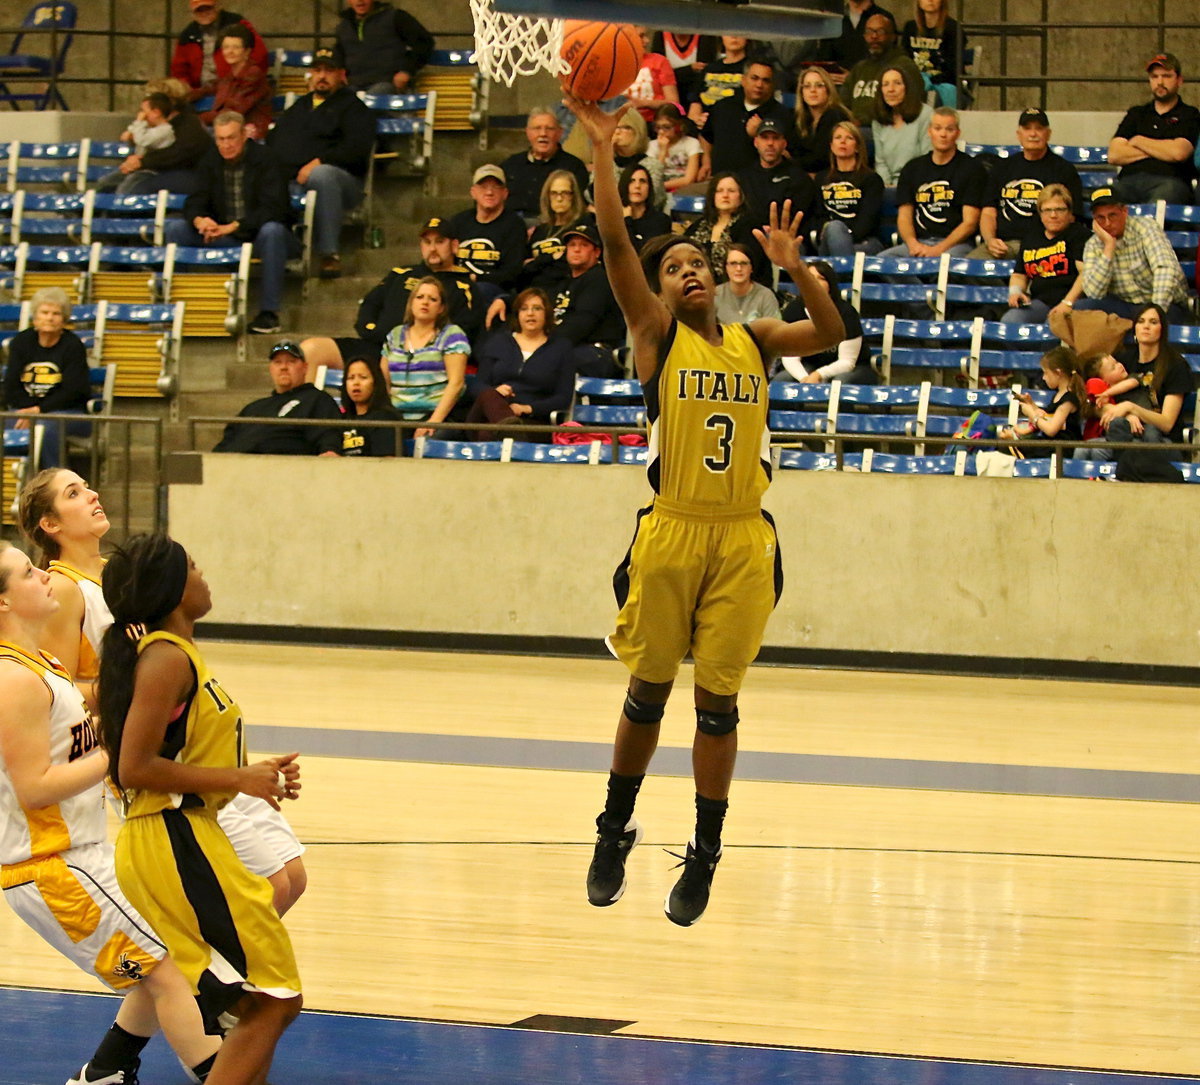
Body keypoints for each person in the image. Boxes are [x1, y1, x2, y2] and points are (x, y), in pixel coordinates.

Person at [567, 94, 843, 927]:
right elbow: (617, 242)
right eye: (674, 267)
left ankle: (707, 847)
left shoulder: (755, 338)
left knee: (717, 705)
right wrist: (603, 154)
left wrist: (796, 265)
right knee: (647, 691)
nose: (689, 271)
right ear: (656, 291)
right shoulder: (656, 335)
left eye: (698, 262)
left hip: (743, 538)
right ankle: (613, 827)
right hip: (673, 527)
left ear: (718, 277)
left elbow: (830, 331)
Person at [18, 469, 310, 918]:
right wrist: (138, 687)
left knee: (291, 876)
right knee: (265, 886)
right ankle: (194, 962)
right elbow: (56, 686)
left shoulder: (120, 573)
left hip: (195, 737)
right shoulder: (63, 588)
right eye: (73, 493)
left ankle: (212, 960)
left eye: (87, 487)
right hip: (150, 748)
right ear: (50, 524)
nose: (92, 494)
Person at [0, 540, 224, 1085]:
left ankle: (104, 1072)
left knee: (163, 964)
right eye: (27, 572)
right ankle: (224, 1074)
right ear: (3, 601)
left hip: (83, 854)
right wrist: (119, 753)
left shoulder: (43, 664)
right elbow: (34, 787)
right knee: (169, 972)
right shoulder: (13, 680)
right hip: (50, 867)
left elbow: (73, 741)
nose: (43, 574)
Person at [97, 534, 303, 1082]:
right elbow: (134, 767)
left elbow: (179, 753)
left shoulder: (174, 655)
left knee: (258, 1006)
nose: (203, 574)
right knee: (273, 1000)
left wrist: (254, 775)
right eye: (192, 566)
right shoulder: (165, 657)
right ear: (170, 588)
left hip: (185, 833)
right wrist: (238, 777)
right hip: (171, 838)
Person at [302, 216, 491, 381]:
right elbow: (370, 304)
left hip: (423, 360)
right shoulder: (400, 274)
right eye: (427, 242)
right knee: (311, 350)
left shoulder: (464, 286)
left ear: (454, 246)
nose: (432, 248)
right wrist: (374, 331)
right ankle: (306, 408)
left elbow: (465, 331)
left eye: (440, 242)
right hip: (378, 348)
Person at [163, 111, 293, 337]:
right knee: (176, 228)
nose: (226, 145)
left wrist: (234, 226)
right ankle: (175, 308)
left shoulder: (267, 159)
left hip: (259, 236)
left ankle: (269, 313)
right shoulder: (209, 161)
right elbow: (195, 201)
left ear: (244, 135)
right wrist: (201, 221)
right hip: (225, 235)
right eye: (221, 139)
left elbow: (275, 208)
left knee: (272, 231)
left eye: (231, 138)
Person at [267, 48, 376, 280]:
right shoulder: (299, 107)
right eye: (317, 70)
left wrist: (319, 162)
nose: (322, 76)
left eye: (329, 70)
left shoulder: (353, 107)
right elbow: (276, 144)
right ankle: (279, 250)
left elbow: (356, 150)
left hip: (345, 183)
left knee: (322, 174)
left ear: (341, 75)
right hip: (295, 177)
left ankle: (329, 254)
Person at [970, 107, 1083, 261]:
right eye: (1027, 128)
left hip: (1046, 246)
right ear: (1019, 134)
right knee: (963, 268)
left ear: (1048, 133)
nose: (1033, 134)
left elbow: (1072, 217)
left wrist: (1049, 244)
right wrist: (990, 240)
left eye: (1039, 128)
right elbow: (989, 212)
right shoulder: (1002, 168)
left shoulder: (1064, 170)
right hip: (1004, 245)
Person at [1065, 188, 1191, 325]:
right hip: (1125, 305)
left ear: (1124, 211)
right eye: (1100, 218)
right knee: (1083, 308)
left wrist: (1154, 311)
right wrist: (1108, 248)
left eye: (1112, 215)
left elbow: (1165, 270)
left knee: (1155, 323)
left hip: (1164, 303)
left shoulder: (1146, 228)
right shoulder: (1093, 245)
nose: (1107, 223)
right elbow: (1094, 293)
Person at [466, 287, 574, 439]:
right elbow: (477, 385)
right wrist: (496, 391)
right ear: (517, 314)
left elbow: (563, 397)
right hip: (489, 415)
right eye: (524, 309)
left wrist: (527, 408)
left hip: (532, 421)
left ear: (547, 314)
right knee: (488, 395)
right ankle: (512, 432)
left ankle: (510, 432)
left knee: (487, 435)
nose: (530, 313)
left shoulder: (561, 348)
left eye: (537, 308)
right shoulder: (499, 342)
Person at [2, 286, 91, 469]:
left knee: (45, 428)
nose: (50, 318)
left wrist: (38, 410)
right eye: (44, 312)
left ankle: (56, 480)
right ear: (35, 317)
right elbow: (11, 385)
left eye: (56, 313)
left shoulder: (73, 346)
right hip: (24, 411)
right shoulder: (21, 342)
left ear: (64, 319)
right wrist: (29, 410)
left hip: (68, 413)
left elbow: (73, 391)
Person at [880, 107, 985, 259]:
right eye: (937, 128)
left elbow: (970, 223)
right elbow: (904, 217)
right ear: (929, 131)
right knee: (880, 262)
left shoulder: (972, 168)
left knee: (948, 264)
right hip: (918, 243)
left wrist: (938, 249)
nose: (943, 134)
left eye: (949, 129)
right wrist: (913, 244)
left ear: (957, 133)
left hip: (956, 245)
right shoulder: (912, 168)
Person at [214, 339, 342, 454]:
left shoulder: (318, 400)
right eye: (277, 362)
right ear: (271, 369)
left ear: (305, 367)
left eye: (291, 362)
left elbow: (329, 438)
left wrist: (330, 451)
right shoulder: (252, 408)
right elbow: (223, 446)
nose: (283, 367)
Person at [1108, 52, 1200, 206]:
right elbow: (1114, 155)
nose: (1160, 82)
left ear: (1179, 80)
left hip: (1170, 182)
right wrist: (1162, 149)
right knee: (1102, 197)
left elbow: (1178, 153)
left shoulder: (1189, 114)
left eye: (1166, 76)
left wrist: (1138, 140)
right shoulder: (1136, 113)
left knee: (1160, 200)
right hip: (1128, 182)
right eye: (1154, 77)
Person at [382, 276, 469, 436]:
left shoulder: (452, 335)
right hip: (397, 416)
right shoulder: (395, 334)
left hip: (437, 416)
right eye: (420, 297)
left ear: (441, 308)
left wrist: (433, 422)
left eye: (432, 299)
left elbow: (456, 383)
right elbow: (383, 382)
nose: (425, 302)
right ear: (411, 303)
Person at [1098, 303, 1193, 447]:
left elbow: (1167, 423)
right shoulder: (1122, 360)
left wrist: (1131, 408)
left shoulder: (1176, 365)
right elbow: (1096, 404)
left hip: (1162, 440)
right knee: (1083, 451)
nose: (1146, 326)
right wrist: (1128, 415)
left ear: (1162, 329)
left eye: (1153, 322)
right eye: (1141, 321)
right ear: (1135, 328)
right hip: (1126, 432)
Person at [775, 260, 878, 384]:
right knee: (782, 379)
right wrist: (804, 379)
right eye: (810, 278)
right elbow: (790, 357)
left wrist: (818, 375)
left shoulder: (846, 312)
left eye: (821, 278)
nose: (814, 282)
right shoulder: (793, 310)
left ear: (830, 285)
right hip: (810, 366)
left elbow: (847, 362)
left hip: (854, 368)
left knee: (840, 381)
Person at [1002, 184, 1089, 325]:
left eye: (1060, 209)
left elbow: (1085, 274)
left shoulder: (1080, 235)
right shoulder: (1031, 239)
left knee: (1054, 325)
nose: (1053, 215)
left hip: (1073, 302)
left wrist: (1067, 303)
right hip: (1040, 303)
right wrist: (1015, 292)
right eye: (1047, 210)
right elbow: (1019, 275)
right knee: (1011, 320)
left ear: (1070, 213)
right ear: (1040, 214)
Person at [552, 221, 628, 379]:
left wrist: (545, 344)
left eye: (584, 245)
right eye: (572, 245)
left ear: (597, 252)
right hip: (568, 347)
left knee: (544, 363)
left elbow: (582, 324)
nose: (576, 249)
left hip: (595, 351)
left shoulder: (599, 279)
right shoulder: (563, 282)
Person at [110, 78, 212, 196]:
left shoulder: (189, 123)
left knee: (137, 188)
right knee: (109, 184)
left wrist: (143, 161)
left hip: (188, 173)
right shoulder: (155, 124)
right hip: (158, 169)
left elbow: (178, 154)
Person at [699, 59, 793, 178]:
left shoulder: (782, 115)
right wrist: (706, 161)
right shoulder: (723, 106)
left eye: (766, 80)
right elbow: (706, 136)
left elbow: (789, 157)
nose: (759, 85)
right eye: (754, 78)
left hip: (760, 184)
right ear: (743, 80)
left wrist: (760, 136)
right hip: (720, 182)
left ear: (772, 86)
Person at [448, 164, 530, 290]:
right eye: (483, 187)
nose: (489, 192)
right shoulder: (458, 222)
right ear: (473, 192)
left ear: (505, 193)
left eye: (496, 187)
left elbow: (511, 274)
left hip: (493, 290)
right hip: (456, 287)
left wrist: (474, 278)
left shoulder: (514, 225)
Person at [500, 109, 591, 221]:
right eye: (537, 128)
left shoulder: (573, 167)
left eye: (550, 129)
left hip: (552, 224)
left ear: (560, 133)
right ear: (527, 132)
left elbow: (578, 208)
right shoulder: (511, 164)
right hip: (511, 225)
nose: (543, 134)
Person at [170, 0, 268, 101]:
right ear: (192, 14)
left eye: (208, 8)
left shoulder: (237, 24)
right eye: (199, 10)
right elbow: (179, 70)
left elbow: (260, 54)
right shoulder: (187, 35)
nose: (204, 13)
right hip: (199, 93)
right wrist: (186, 90)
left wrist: (238, 80)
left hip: (235, 89)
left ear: (217, 7)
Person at [333, 0, 434, 94]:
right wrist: (339, 70)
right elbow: (339, 51)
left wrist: (406, 71)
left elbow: (424, 43)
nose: (360, 0)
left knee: (370, 99)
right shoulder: (344, 25)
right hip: (353, 83)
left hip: (387, 82)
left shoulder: (395, 17)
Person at [816, 120, 885, 255]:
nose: (843, 141)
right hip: (829, 239)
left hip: (865, 241)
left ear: (857, 147)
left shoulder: (871, 179)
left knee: (837, 230)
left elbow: (868, 219)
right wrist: (833, 234)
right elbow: (818, 215)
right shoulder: (821, 178)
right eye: (838, 138)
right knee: (834, 228)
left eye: (849, 138)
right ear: (831, 146)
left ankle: (841, 264)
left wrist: (844, 237)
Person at [840, 12, 922, 127]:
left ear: (893, 37)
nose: (874, 36)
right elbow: (843, 103)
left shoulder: (904, 66)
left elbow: (910, 105)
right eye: (869, 32)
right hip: (854, 128)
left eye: (880, 32)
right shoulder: (859, 68)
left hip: (887, 126)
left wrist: (863, 121)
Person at [998, 344, 1084, 451]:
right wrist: (1031, 405)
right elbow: (1047, 418)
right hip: (1050, 444)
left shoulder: (1068, 400)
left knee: (1006, 448)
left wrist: (1031, 414)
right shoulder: (1058, 395)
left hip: (1061, 449)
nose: (1043, 378)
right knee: (1004, 445)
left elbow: (1051, 429)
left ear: (1058, 373)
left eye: (1046, 373)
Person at [683, 172, 762, 283]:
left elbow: (750, 266)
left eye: (731, 191)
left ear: (741, 196)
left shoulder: (749, 226)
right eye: (719, 191)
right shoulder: (699, 225)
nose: (725, 195)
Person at [198, 24, 271, 139]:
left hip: (248, 131)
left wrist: (199, 118)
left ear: (247, 51)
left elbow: (233, 113)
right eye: (226, 47)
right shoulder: (229, 75)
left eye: (236, 47)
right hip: (227, 128)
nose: (230, 51)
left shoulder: (253, 74)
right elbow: (211, 88)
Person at [521, 169, 590, 292]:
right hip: (535, 291)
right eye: (554, 193)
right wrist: (553, 257)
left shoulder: (581, 227)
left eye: (565, 193)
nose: (559, 198)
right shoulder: (539, 230)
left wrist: (538, 261)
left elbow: (569, 266)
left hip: (566, 290)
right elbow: (524, 268)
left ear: (573, 196)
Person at [94, 92, 175, 192]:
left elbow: (143, 140)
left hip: (150, 171)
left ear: (156, 112)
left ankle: (120, 201)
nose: (141, 115)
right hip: (136, 169)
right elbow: (128, 135)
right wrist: (131, 133)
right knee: (105, 182)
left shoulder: (165, 131)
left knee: (124, 188)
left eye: (144, 111)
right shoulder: (146, 127)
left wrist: (139, 121)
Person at [870, 64, 933, 186]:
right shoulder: (878, 121)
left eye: (897, 83)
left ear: (907, 88)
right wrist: (887, 186)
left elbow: (927, 159)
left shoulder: (925, 114)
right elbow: (880, 163)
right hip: (890, 187)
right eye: (885, 84)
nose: (891, 89)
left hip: (918, 184)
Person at [789, 67, 854, 174]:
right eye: (807, 86)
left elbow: (821, 160)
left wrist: (791, 161)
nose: (812, 90)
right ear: (801, 92)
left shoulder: (836, 116)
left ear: (828, 90)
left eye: (819, 85)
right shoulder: (798, 118)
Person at [901, 0, 965, 107]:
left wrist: (929, 81)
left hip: (943, 83)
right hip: (914, 81)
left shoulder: (953, 28)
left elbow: (954, 70)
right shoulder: (910, 27)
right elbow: (904, 61)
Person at [335, 355, 401, 456]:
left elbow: (387, 460)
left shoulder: (385, 418)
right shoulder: (341, 420)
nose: (356, 383)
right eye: (351, 378)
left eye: (363, 377)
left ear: (375, 382)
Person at [823, 0, 896, 79]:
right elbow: (824, 59)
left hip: (873, 82)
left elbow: (890, 61)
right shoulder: (833, 17)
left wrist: (853, 78)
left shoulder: (884, 19)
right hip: (837, 83)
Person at [610, 108, 667, 211]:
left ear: (637, 131)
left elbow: (651, 200)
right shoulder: (607, 163)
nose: (617, 132)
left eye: (625, 127)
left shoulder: (652, 165)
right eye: (615, 127)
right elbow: (590, 196)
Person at [624, 26, 681, 123]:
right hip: (621, 122)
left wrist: (644, 103)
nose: (647, 41)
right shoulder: (612, 65)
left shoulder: (659, 61)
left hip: (654, 122)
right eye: (641, 36)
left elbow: (674, 103)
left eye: (645, 36)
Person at [715, 243, 781, 323]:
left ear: (751, 268)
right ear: (726, 268)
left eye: (744, 263)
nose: (739, 268)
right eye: (733, 263)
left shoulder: (766, 296)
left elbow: (775, 329)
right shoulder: (715, 295)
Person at [649, 103, 702, 193]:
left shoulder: (691, 143)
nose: (661, 132)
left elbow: (689, 179)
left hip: (685, 189)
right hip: (658, 191)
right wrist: (662, 151)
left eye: (666, 127)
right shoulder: (651, 145)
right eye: (657, 127)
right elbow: (653, 176)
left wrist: (660, 186)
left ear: (679, 126)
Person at [621, 164, 672, 252]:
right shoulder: (612, 220)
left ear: (649, 188)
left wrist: (627, 220)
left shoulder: (661, 221)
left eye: (642, 181)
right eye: (632, 181)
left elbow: (642, 253)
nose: (637, 186)